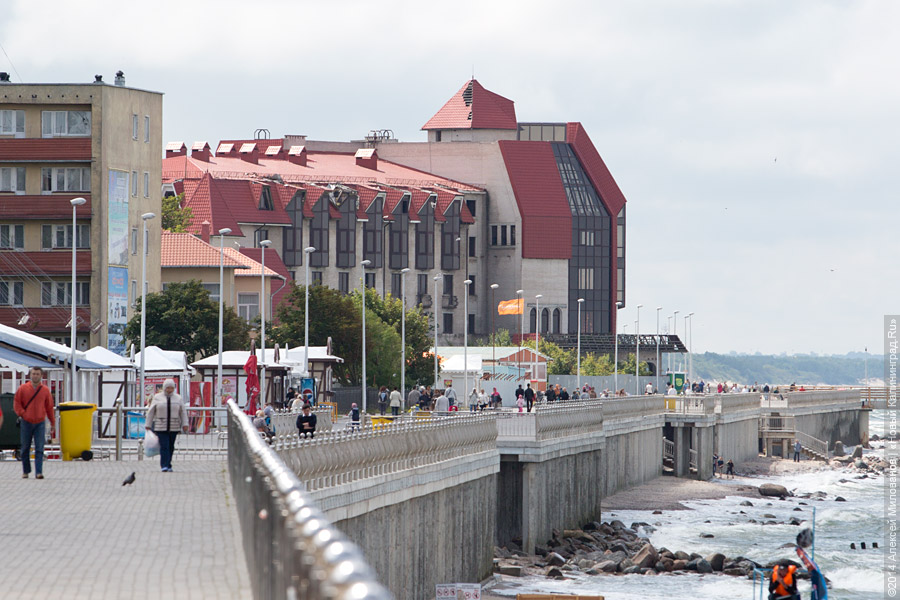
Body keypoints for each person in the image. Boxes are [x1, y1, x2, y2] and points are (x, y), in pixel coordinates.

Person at [14, 366, 55, 479]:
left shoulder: (45, 390)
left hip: (40, 422)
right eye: (33, 374)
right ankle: (26, 471)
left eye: (37, 374)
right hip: (26, 422)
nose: (35, 376)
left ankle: (39, 472)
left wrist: (52, 422)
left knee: (39, 448)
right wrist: (23, 414)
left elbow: (49, 407)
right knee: (25, 448)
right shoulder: (23, 388)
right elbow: (17, 403)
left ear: (41, 376)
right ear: (30, 375)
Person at [146, 378, 188, 472]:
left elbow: (183, 412)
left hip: (174, 426)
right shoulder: (157, 397)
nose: (169, 390)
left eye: (171, 388)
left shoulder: (178, 398)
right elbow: (151, 411)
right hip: (160, 426)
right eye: (168, 388)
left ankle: (169, 464)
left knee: (171, 446)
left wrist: (185, 424)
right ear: (164, 388)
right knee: (164, 446)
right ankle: (164, 465)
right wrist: (148, 424)